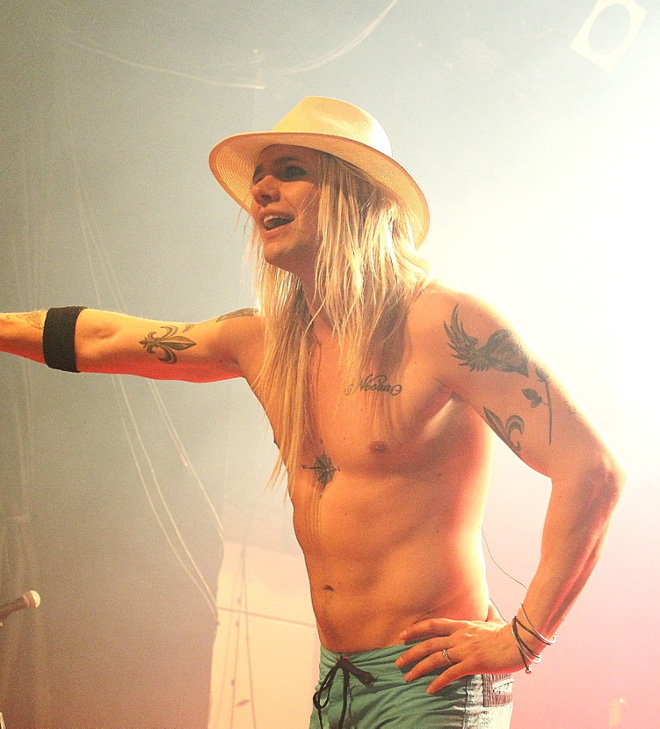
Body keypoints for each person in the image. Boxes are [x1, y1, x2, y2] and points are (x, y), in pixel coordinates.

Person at [0, 97, 625, 728]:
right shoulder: (266, 342)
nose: (262, 189)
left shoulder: (441, 323)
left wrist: (523, 639)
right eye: (259, 177)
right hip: (338, 682)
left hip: (430, 687)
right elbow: (106, 338)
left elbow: (593, 470)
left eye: (291, 170)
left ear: (358, 197)